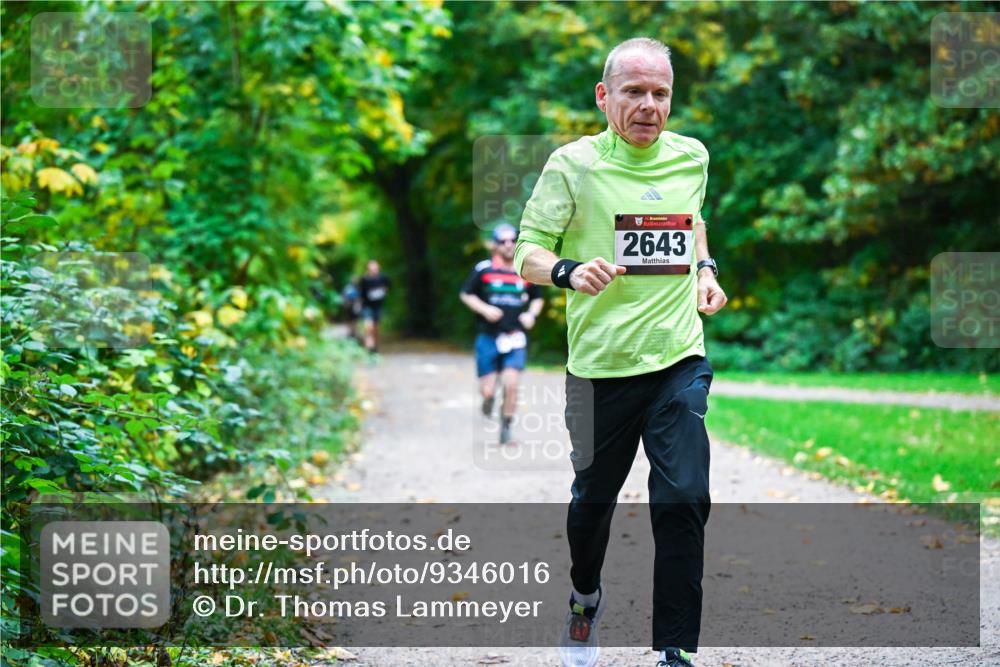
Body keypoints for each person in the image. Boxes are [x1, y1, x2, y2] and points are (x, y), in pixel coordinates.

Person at [514, 38, 728, 667]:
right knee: (591, 509)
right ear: (605, 96)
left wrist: (706, 270)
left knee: (685, 496)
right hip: (601, 368)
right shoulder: (573, 165)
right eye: (634, 92)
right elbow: (529, 248)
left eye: (660, 93)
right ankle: (585, 598)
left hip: (678, 357)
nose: (648, 106)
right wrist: (568, 271)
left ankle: (675, 652)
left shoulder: (691, 156)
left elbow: (693, 220)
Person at [460, 223, 544, 444]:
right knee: (487, 389)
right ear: (495, 245)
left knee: (511, 384)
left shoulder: (525, 271)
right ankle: (487, 400)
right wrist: (485, 309)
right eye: (502, 241)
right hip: (488, 336)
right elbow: (466, 294)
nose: (508, 244)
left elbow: (537, 297)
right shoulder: (484, 269)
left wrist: (531, 315)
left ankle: (506, 427)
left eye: (512, 240)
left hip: (514, 336)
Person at [358, 260, 390, 354]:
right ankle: (369, 348)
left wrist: (383, 292)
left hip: (378, 306)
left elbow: (388, 286)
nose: (374, 270)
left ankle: (375, 347)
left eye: (375, 268)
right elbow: (360, 293)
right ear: (368, 269)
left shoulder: (383, 277)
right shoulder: (364, 279)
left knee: (376, 328)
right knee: (368, 327)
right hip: (367, 306)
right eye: (371, 268)